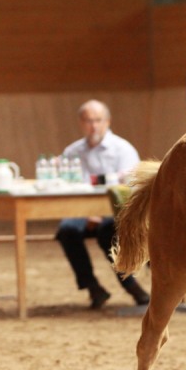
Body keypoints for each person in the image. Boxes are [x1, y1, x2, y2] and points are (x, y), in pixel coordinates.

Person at [55, 99, 150, 310]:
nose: (93, 126)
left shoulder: (123, 149)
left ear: (107, 122)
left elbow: (130, 190)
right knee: (67, 230)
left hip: (116, 212)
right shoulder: (72, 152)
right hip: (80, 211)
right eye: (88, 121)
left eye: (98, 120)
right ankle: (93, 287)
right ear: (81, 123)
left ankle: (133, 288)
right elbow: (67, 186)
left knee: (107, 231)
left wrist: (99, 214)